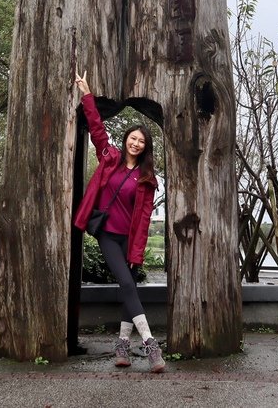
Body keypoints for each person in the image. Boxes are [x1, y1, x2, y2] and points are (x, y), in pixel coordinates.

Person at [72, 71, 165, 373]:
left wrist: (137, 249)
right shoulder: (109, 158)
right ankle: (151, 344)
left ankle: (122, 347)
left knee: (129, 289)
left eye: (141, 141)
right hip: (108, 234)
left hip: (129, 238)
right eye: (133, 138)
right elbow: (97, 129)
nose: (136, 143)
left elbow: (144, 218)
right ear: (125, 140)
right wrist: (87, 94)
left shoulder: (147, 178)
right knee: (126, 283)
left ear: (145, 147)